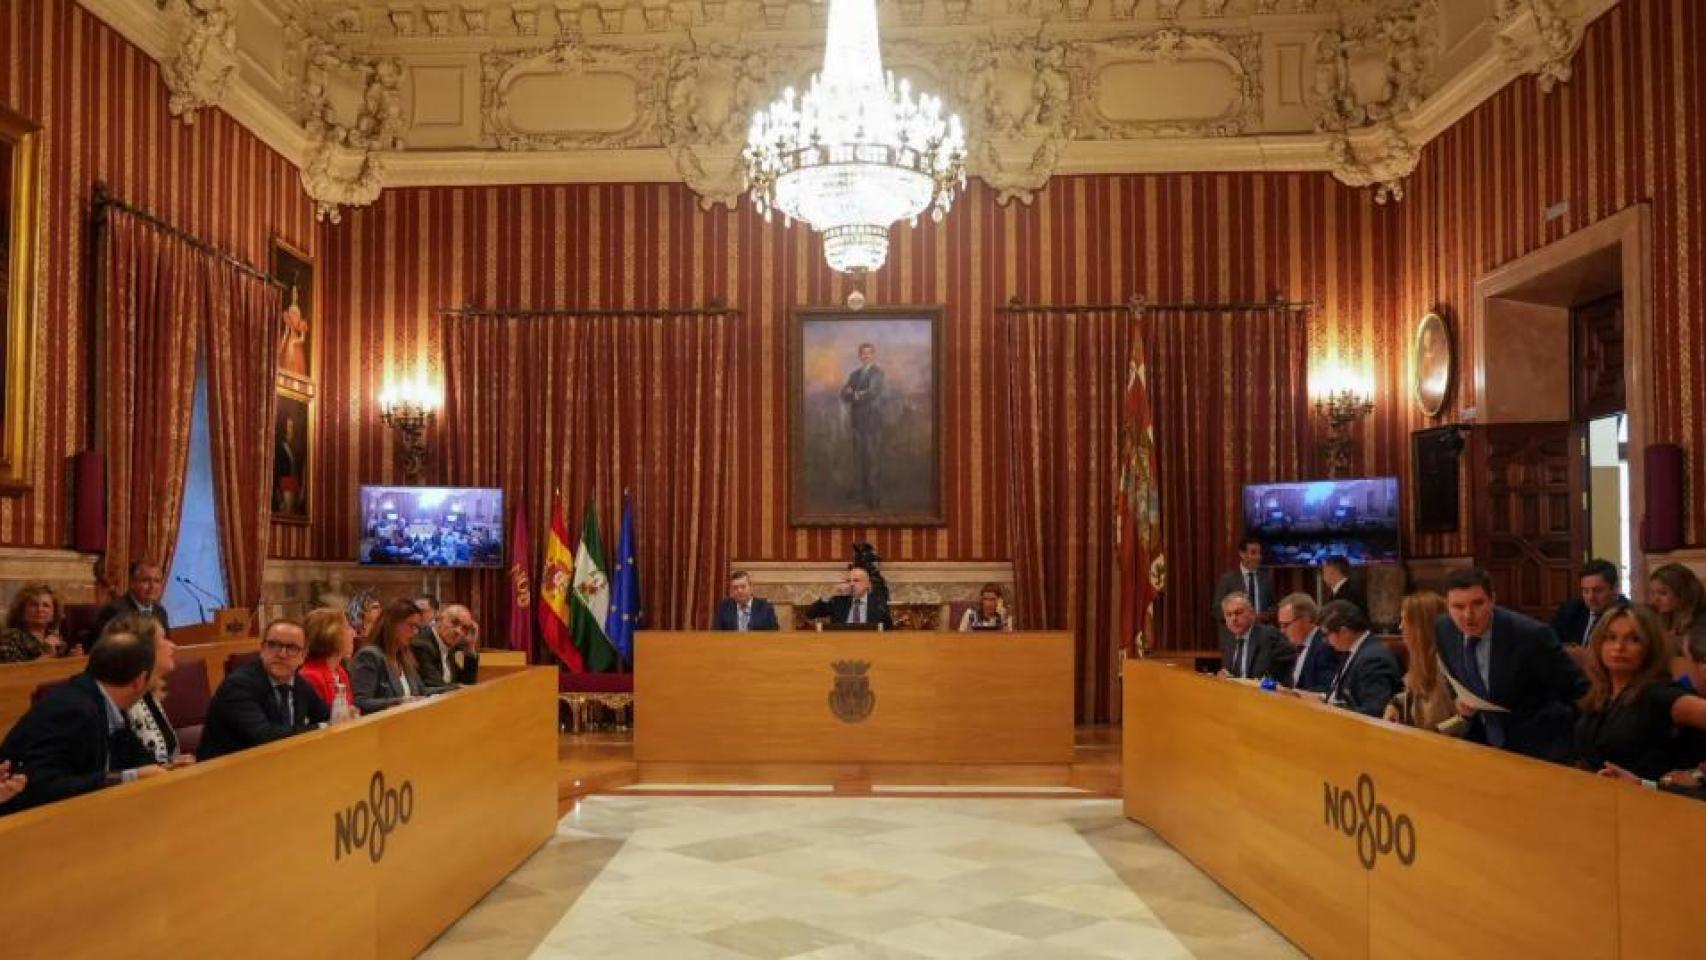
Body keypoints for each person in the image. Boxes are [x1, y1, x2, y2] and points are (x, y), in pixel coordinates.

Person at [0, 629, 166, 814]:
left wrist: (168, 770)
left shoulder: (105, 698)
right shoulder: (74, 710)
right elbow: (41, 786)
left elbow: (134, 753)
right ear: (140, 680)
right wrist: (128, 777)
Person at [1434, 567, 1588, 763]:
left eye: (1478, 603)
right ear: (1447, 606)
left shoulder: (1532, 635)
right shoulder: (1443, 628)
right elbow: (1455, 677)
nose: (1468, 615)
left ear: (1493, 600)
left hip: (1539, 748)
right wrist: (1460, 700)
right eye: (1458, 606)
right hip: (1481, 744)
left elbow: (1578, 690)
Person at [1576, 605, 1706, 785]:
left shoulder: (1659, 694)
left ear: (1650, 647)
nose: (1619, 647)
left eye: (1634, 639)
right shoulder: (1600, 693)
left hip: (1652, 804)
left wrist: (1698, 777)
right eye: (1610, 638)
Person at [197, 619, 329, 761]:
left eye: (292, 648)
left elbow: (325, 715)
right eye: (273, 645)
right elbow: (264, 736)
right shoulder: (238, 686)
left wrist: (344, 713)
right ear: (262, 649)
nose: (282, 654)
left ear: (303, 656)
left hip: (277, 764)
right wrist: (321, 727)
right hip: (226, 772)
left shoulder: (298, 683)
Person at [110, 615, 194, 769]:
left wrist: (173, 765)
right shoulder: (123, 700)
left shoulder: (150, 692)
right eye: (163, 639)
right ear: (144, 649)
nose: (172, 646)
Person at [1383, 591, 1460, 734]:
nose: (1400, 627)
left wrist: (1434, 735)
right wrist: (1395, 704)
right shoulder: (1420, 660)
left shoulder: (1450, 666)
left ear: (1421, 627)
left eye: (1404, 620)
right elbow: (1413, 695)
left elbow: (1462, 720)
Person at [1318, 599, 1403, 717]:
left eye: (1327, 634)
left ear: (1344, 632)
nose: (1325, 640)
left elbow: (1374, 711)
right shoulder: (1352, 650)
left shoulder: (1373, 659)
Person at [350, 598, 427, 712]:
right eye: (411, 625)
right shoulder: (370, 656)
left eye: (417, 628)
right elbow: (361, 702)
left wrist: (454, 689)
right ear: (392, 624)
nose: (415, 632)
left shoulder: (404, 657)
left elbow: (422, 692)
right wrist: (401, 702)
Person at [840, 341, 885, 507]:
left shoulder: (878, 373)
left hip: (872, 423)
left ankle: (873, 497)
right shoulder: (854, 374)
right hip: (857, 422)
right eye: (863, 353)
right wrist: (855, 394)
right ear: (859, 356)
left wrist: (855, 394)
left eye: (868, 353)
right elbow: (843, 394)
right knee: (858, 458)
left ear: (873, 355)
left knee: (871, 459)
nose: (865, 356)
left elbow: (872, 393)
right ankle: (860, 493)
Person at [1551, 558, 1630, 647]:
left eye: (1598, 591)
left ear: (1615, 588)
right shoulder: (1570, 611)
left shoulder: (1630, 615)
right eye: (1585, 591)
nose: (1590, 597)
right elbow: (1551, 644)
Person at [1647, 563, 1706, 682]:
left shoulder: (1700, 625)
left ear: (1683, 592)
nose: (1655, 599)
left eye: (1663, 593)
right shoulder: (1659, 620)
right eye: (1652, 593)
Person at [1217, 592, 1294, 681]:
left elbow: (1292, 663)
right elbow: (1232, 676)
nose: (1233, 619)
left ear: (1252, 614)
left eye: (1238, 613)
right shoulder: (1229, 642)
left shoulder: (1270, 636)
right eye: (1229, 615)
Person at [299, 606, 357, 716]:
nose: (354, 633)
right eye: (347, 628)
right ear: (331, 635)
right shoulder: (310, 676)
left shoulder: (340, 672)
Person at [1212, 536, 1274, 641]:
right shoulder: (1227, 580)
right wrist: (1241, 617)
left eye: (1259, 553)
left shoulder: (1266, 579)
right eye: (1253, 553)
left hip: (1261, 638)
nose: (1258, 557)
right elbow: (1217, 610)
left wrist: (1264, 616)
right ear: (1242, 554)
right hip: (1235, 639)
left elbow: (1273, 606)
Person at [1276, 593, 1340, 691]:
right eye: (1280, 625)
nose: (1282, 631)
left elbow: (1327, 689)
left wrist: (1296, 694)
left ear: (1306, 619)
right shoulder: (1298, 646)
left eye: (1286, 625)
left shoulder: (1325, 645)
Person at [411, 603, 480, 691]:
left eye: (464, 628)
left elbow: (467, 683)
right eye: (454, 622)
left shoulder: (448, 647)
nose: (458, 631)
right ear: (439, 620)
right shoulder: (422, 645)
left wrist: (470, 647)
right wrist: (462, 688)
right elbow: (436, 685)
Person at [0, 583, 73, 662]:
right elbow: (11, 672)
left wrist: (73, 658)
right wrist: (47, 655)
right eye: (34, 605)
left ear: (54, 613)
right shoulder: (10, 638)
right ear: (21, 610)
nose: (40, 609)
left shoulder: (56, 639)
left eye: (46, 605)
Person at [94, 560, 170, 634]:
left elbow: (167, 641)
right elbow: (108, 645)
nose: (152, 586)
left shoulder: (160, 612)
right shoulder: (115, 611)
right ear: (132, 582)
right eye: (145, 580)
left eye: (157, 581)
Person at [803, 566, 893, 629]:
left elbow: (888, 628)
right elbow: (810, 614)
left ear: (868, 585)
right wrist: (829, 594)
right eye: (849, 581)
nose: (852, 584)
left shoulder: (878, 604)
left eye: (856, 581)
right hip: (840, 644)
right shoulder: (838, 602)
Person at [712, 570, 781, 631]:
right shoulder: (724, 607)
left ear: (751, 587)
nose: (739, 591)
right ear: (731, 590)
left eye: (743, 587)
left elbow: (774, 635)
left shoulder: (765, 607)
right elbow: (716, 635)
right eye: (735, 588)